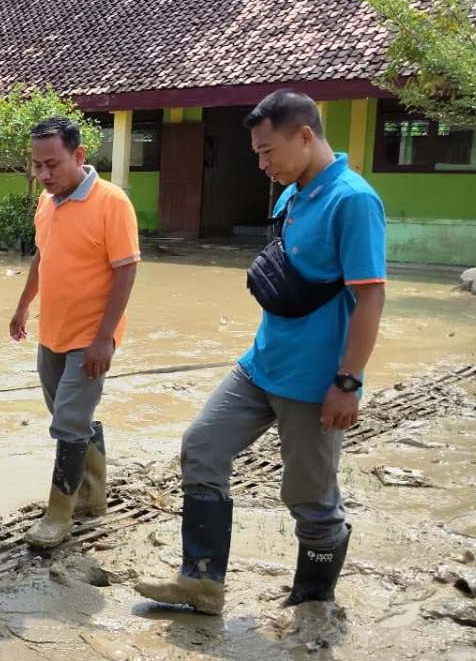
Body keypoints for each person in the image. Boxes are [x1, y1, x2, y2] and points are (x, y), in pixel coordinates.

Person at [135, 89, 387, 614]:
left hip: (314, 381)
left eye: (268, 151)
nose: (262, 163)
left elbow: (371, 296)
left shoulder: (353, 200)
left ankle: (312, 605)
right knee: (202, 446)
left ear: (305, 135)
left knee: (310, 497)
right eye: (256, 153)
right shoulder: (289, 195)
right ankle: (202, 582)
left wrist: (348, 382)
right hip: (260, 366)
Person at [10, 116, 140, 549]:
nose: (44, 175)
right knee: (68, 415)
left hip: (91, 336)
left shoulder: (112, 203)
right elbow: (42, 258)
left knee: (68, 422)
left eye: (53, 164)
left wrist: (105, 338)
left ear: (79, 156)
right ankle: (91, 495)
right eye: (37, 166)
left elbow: (126, 271)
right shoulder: (47, 203)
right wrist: (24, 305)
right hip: (53, 330)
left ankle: (58, 516)